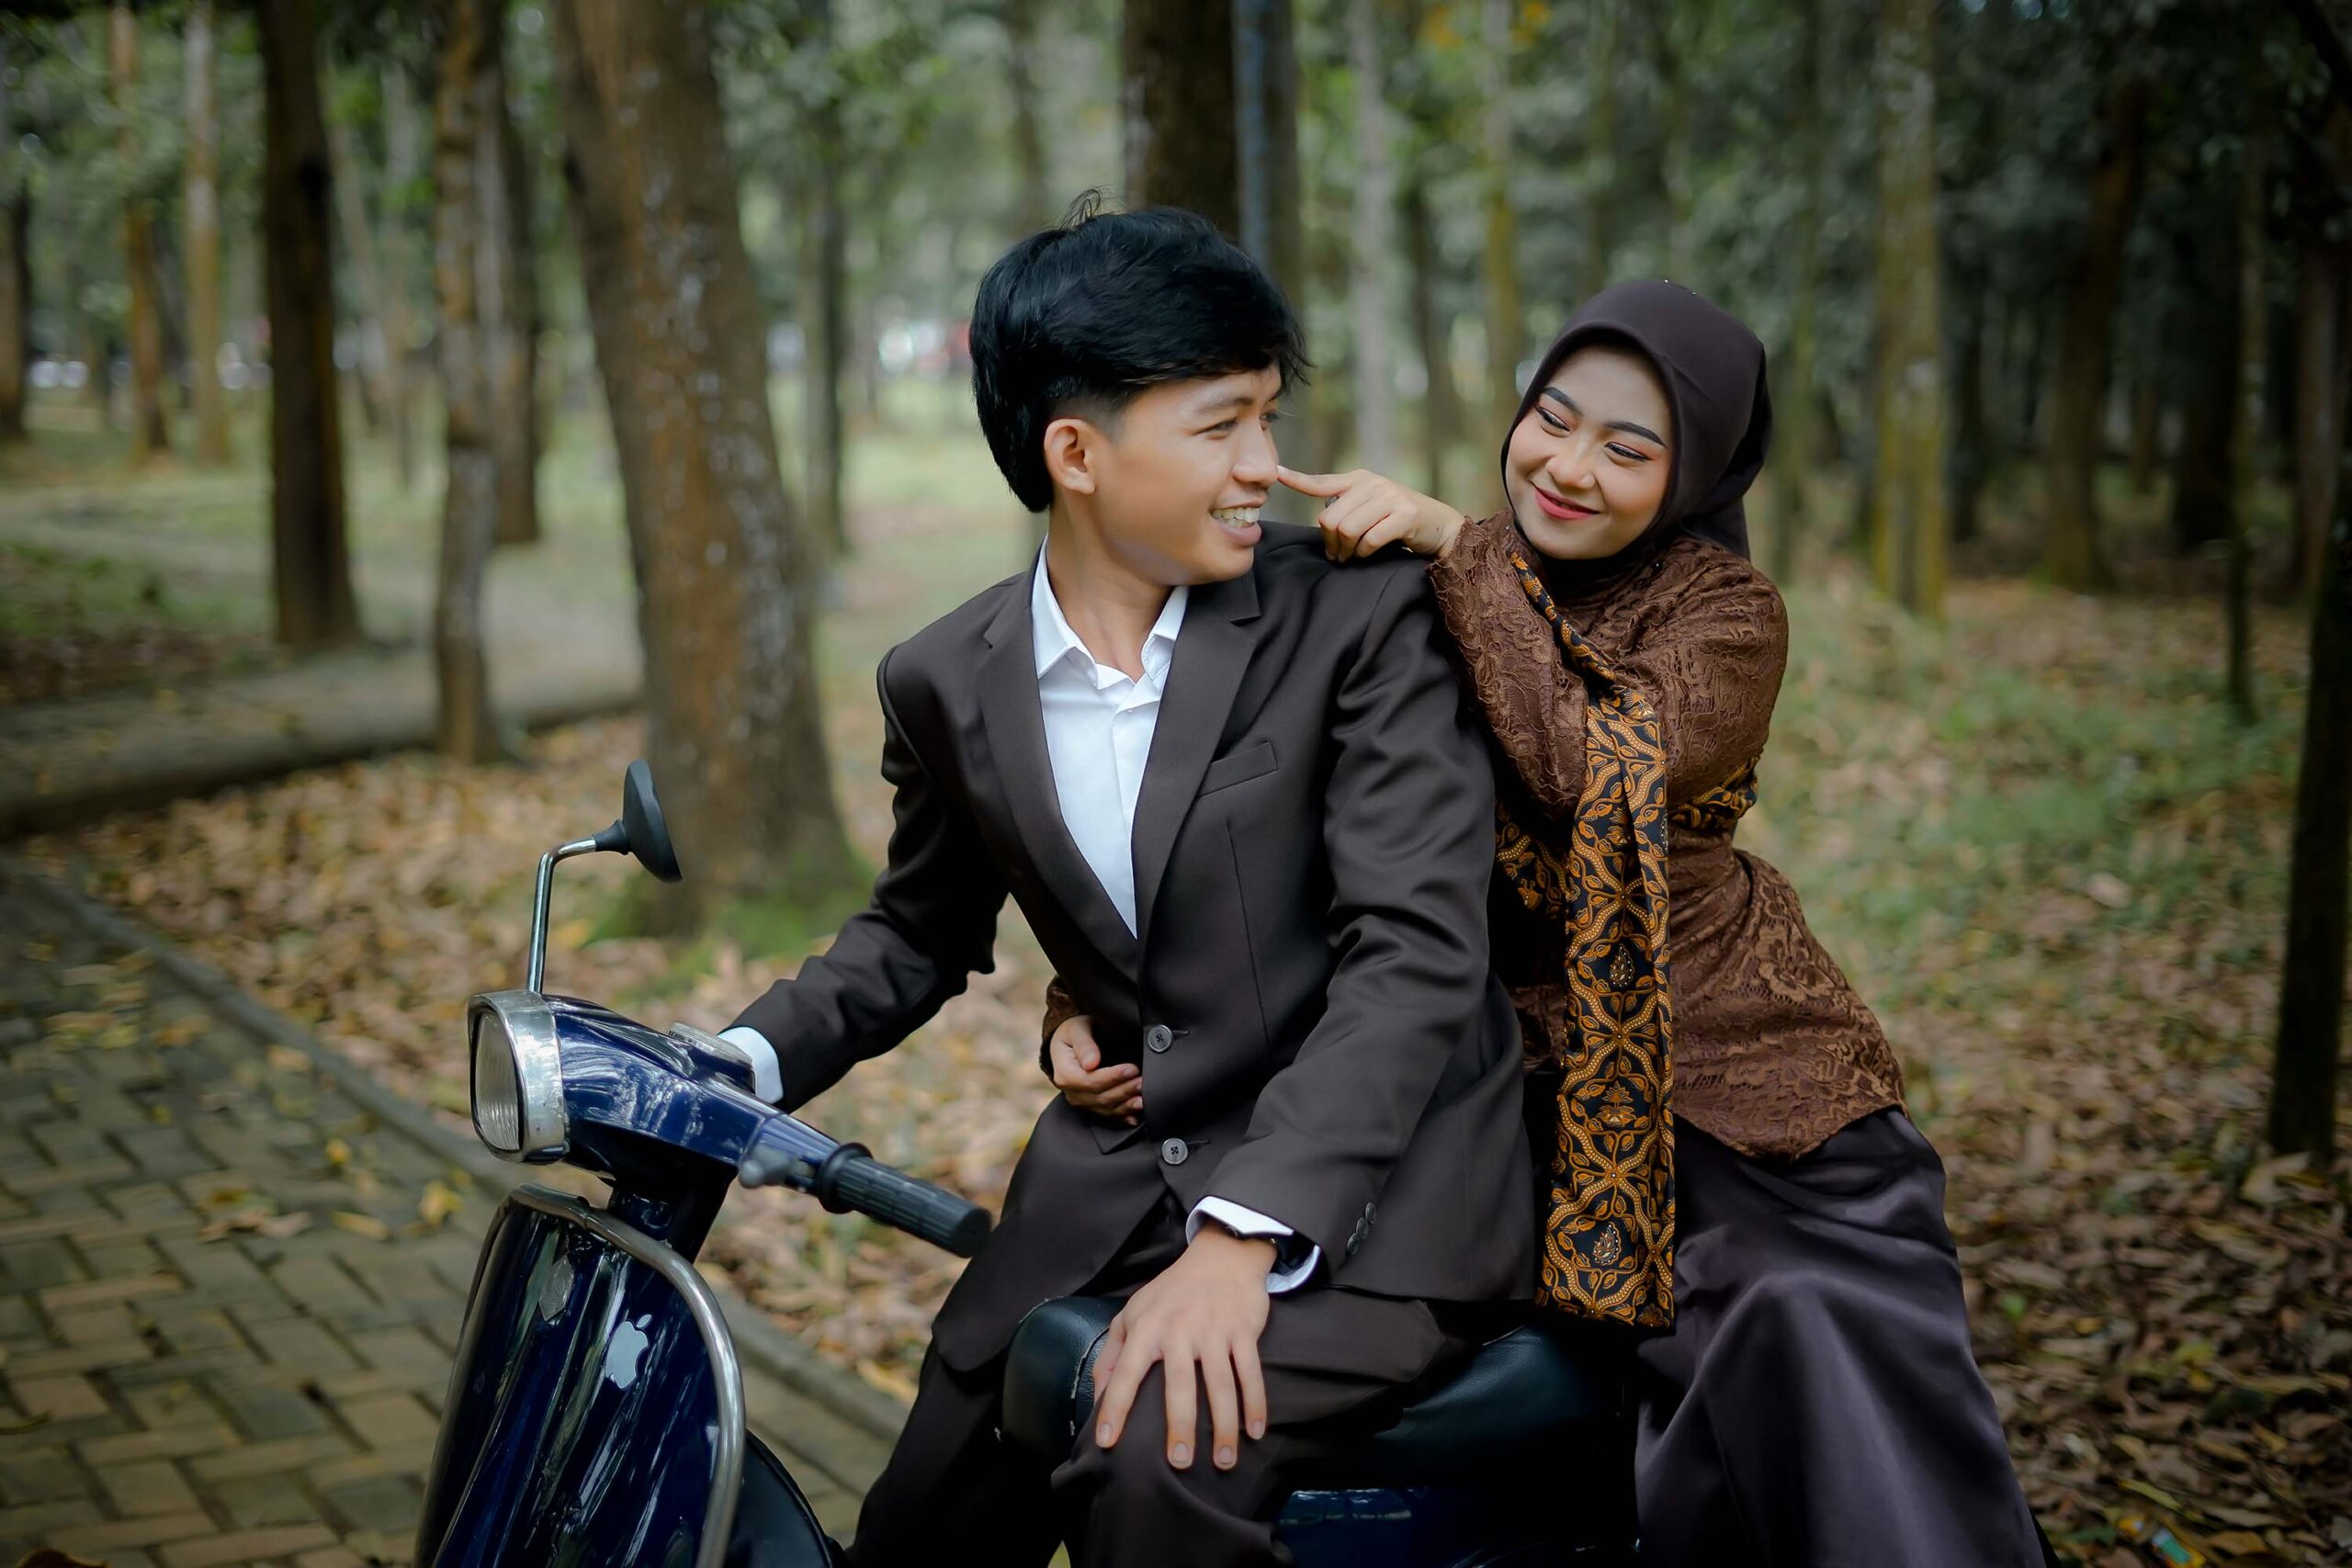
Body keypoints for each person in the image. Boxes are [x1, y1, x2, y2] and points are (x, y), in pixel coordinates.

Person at [1046, 279, 2050, 1566]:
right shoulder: (1405, 587)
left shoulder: (1723, 614)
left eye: (1629, 450)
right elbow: (1250, 816)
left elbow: (1593, 768)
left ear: (1694, 473)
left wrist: (1458, 547)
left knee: (1792, 1330)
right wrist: (1084, 1000)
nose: (1570, 468)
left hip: (1732, 1097)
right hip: (1491, 1097)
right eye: (1553, 420)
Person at [718, 200, 1534, 1568]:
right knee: (922, 1518)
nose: (1266, 467)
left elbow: (1418, 952)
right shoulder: (944, 679)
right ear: (1076, 454)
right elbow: (916, 931)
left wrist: (1243, 1238)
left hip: (1374, 1195)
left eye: (1268, 417)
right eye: (1222, 426)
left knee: (1160, 1446)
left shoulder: (1362, 614)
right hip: (1109, 1191)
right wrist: (732, 1066)